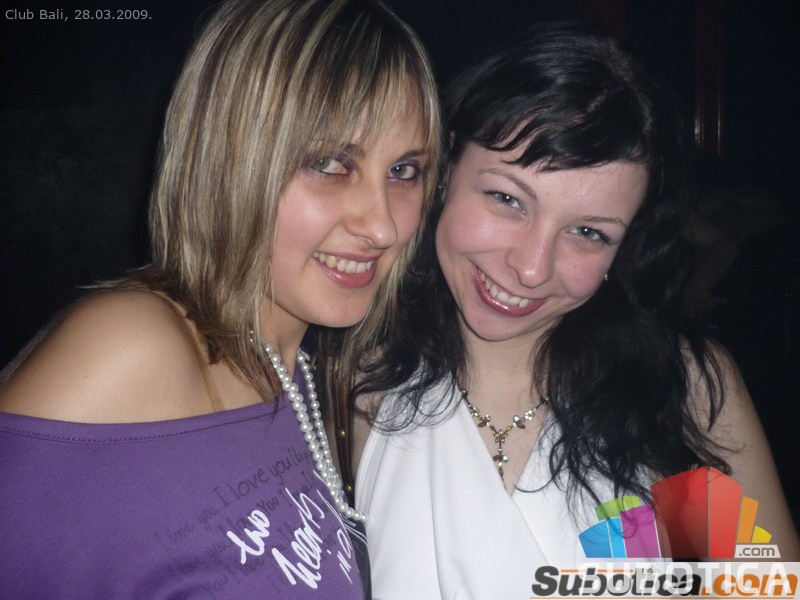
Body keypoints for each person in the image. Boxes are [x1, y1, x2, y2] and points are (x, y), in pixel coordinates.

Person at [0, 0, 440, 597]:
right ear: (231, 160)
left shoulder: (299, 373)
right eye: (330, 164)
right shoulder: (132, 345)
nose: (384, 226)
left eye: (405, 171)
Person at [350, 22, 800, 599]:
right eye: (507, 199)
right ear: (444, 171)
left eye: (588, 232)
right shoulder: (363, 375)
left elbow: (754, 586)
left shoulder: (670, 388)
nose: (532, 268)